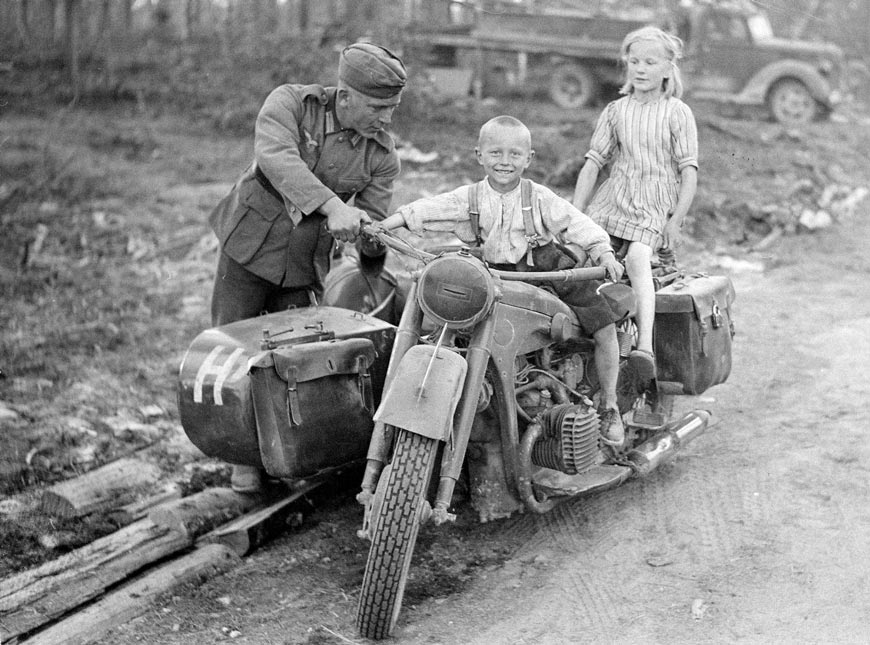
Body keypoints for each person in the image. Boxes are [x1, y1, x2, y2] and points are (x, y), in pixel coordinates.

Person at [208, 42, 407, 493]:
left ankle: (287, 455)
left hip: (305, 260)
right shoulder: (292, 105)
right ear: (345, 96)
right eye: (378, 108)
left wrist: (372, 246)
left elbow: (373, 218)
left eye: (392, 108)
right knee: (234, 344)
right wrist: (334, 206)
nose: (386, 119)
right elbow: (277, 159)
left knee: (295, 360)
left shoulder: (382, 154)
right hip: (248, 241)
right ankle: (241, 459)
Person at [374, 115, 627, 447]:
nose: (504, 161)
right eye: (495, 153)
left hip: (546, 270)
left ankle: (609, 405)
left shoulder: (539, 197)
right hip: (492, 272)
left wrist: (604, 253)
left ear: (528, 159)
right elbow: (427, 209)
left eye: (514, 154)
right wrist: (385, 226)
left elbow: (576, 223)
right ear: (479, 155)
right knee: (446, 318)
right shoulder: (470, 197)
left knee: (604, 327)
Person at [572, 26, 698, 385]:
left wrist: (676, 220)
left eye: (650, 62)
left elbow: (689, 171)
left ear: (668, 68)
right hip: (615, 197)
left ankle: (644, 347)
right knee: (581, 256)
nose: (641, 69)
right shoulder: (616, 110)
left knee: (637, 258)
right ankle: (581, 339)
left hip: (654, 202)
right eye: (635, 61)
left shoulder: (676, 112)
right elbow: (594, 163)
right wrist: (576, 214)